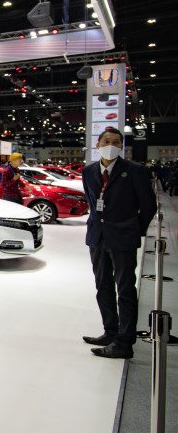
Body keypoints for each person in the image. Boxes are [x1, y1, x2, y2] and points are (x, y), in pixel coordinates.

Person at [82, 128, 156, 359]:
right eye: (107, 141)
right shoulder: (89, 171)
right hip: (98, 237)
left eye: (116, 142)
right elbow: (92, 203)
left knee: (125, 289)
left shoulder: (135, 171)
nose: (111, 145)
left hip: (123, 237)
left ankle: (124, 342)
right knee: (102, 286)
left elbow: (148, 206)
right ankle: (110, 331)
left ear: (121, 146)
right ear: (98, 143)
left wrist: (134, 229)